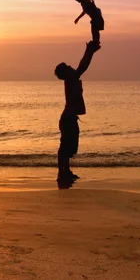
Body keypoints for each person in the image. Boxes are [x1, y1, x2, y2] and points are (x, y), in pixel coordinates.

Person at [54, 40, 100, 185]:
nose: (71, 67)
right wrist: (90, 51)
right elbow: (83, 66)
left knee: (69, 147)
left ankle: (65, 171)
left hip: (69, 117)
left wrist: (90, 51)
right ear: (66, 73)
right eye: (68, 67)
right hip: (68, 118)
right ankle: (62, 173)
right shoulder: (71, 78)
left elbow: (81, 66)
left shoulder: (71, 79)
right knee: (65, 147)